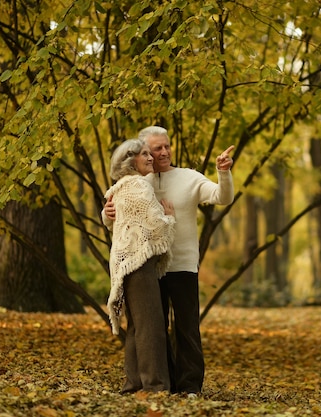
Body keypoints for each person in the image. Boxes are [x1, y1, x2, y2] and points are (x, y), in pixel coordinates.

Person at [102, 126, 234, 396]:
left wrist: (223, 172)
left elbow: (223, 197)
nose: (162, 153)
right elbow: (119, 222)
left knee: (187, 327)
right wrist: (107, 213)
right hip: (151, 267)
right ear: (143, 154)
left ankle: (189, 386)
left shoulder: (189, 178)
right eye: (154, 149)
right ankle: (165, 383)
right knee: (154, 328)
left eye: (166, 146)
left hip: (183, 264)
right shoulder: (139, 180)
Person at [104, 138, 176, 394]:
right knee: (152, 325)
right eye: (144, 154)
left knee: (136, 326)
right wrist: (169, 218)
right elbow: (154, 225)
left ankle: (133, 384)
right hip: (139, 262)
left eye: (150, 153)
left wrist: (105, 214)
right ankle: (154, 385)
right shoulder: (139, 186)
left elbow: (118, 220)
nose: (150, 158)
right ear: (130, 161)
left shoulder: (120, 188)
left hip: (125, 263)